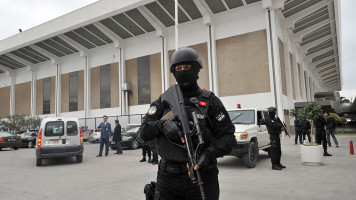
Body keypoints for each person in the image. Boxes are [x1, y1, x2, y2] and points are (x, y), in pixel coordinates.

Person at [138, 47, 236, 200]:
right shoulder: (164, 101)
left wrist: (208, 154)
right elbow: (142, 134)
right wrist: (162, 125)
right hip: (168, 179)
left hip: (202, 175)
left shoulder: (209, 101)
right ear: (174, 72)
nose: (183, 71)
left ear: (197, 69)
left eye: (187, 67)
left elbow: (229, 138)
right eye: (179, 68)